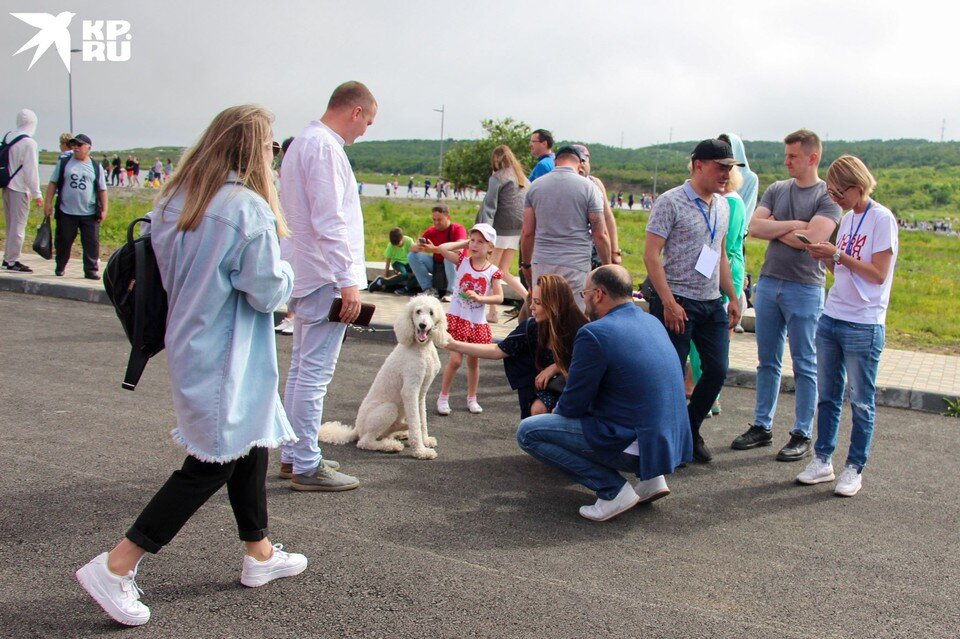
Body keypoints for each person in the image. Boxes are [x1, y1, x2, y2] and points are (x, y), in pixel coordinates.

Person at [74, 105, 308, 628]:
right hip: (230, 352)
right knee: (213, 460)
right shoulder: (246, 209)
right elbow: (267, 289)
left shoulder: (176, 199)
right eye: (270, 147)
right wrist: (291, 274)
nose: (273, 157)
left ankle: (260, 553)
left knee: (248, 442)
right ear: (254, 150)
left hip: (192, 342)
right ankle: (117, 564)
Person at [515, 266, 692, 522]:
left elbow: (573, 402)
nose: (584, 298)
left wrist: (557, 413)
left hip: (634, 443)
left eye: (585, 292)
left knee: (528, 432)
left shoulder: (594, 333)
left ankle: (612, 490)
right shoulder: (651, 321)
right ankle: (651, 479)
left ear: (598, 294)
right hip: (667, 442)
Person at [279, 81, 377, 492]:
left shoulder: (304, 142)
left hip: (308, 270)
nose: (365, 131)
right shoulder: (324, 147)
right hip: (324, 275)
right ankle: (305, 461)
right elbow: (330, 220)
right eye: (368, 121)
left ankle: (294, 453)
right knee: (314, 372)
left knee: (302, 368)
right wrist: (348, 281)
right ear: (355, 111)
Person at [732, 130, 842, 461]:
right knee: (767, 360)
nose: (786, 161)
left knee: (805, 363)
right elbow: (755, 227)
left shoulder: (828, 197)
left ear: (812, 158)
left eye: (793, 156)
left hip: (806, 287)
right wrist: (795, 225)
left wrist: (779, 227)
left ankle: (802, 432)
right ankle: (762, 425)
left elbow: (814, 240)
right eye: (786, 155)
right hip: (769, 284)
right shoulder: (778, 189)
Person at [796, 156, 898, 497]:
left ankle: (855, 466)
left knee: (861, 400)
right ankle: (823, 459)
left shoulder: (881, 218)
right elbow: (847, 273)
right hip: (834, 314)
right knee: (828, 395)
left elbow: (878, 274)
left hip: (864, 323)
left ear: (858, 186)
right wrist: (826, 258)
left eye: (839, 191)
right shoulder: (850, 218)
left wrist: (838, 255)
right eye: (831, 191)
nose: (835, 198)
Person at [643, 139, 741, 464]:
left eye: (730, 168)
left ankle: (690, 427)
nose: (726, 174)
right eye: (721, 167)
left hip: (711, 301)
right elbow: (651, 256)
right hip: (677, 301)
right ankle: (665, 439)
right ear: (699, 164)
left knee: (716, 369)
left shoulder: (724, 206)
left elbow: (721, 255)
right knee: (669, 374)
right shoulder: (670, 201)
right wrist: (668, 302)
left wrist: (734, 296)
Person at [445, 274, 588, 419]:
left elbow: (587, 361)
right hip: (549, 389)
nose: (531, 307)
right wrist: (454, 344)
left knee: (557, 411)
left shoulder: (582, 330)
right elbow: (497, 350)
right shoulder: (533, 327)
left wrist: (555, 367)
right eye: (532, 301)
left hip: (576, 388)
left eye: (537, 302)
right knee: (538, 409)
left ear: (554, 303)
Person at [687, 163, 748, 416]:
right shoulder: (726, 201)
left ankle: (710, 398)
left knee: (711, 339)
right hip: (715, 268)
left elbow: (717, 244)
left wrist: (703, 277)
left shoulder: (729, 203)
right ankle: (705, 394)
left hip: (719, 271)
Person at [520, 145, 611, 311]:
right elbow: (600, 234)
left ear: (556, 162)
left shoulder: (535, 186)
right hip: (575, 263)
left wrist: (526, 264)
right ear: (580, 164)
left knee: (542, 313)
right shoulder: (589, 188)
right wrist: (608, 266)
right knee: (572, 313)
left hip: (543, 261)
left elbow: (527, 233)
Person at [434, 223, 504, 415]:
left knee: (474, 363)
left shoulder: (493, 271)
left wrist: (481, 298)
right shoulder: (462, 261)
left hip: (476, 323)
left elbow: (499, 297)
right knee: (455, 360)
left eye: (480, 242)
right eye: (472, 240)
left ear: (491, 247)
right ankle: (443, 396)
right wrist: (464, 243)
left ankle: (472, 398)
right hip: (457, 318)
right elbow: (442, 248)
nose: (474, 245)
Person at [475, 144, 530, 322]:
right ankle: (529, 297)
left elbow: (490, 207)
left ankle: (491, 312)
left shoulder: (498, 177)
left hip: (500, 229)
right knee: (503, 271)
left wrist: (483, 232)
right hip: (517, 230)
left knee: (490, 271)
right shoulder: (521, 177)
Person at [44, 134, 108, 280]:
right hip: (67, 211)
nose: (76, 148)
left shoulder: (95, 166)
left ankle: (91, 270)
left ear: (88, 148)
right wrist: (48, 203)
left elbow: (102, 190)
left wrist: (104, 209)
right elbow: (53, 183)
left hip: (89, 212)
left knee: (91, 242)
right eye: (74, 145)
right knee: (64, 240)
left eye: (79, 145)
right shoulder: (65, 163)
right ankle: (60, 266)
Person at [1, 109, 43, 272]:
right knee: (18, 226)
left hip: (6, 185)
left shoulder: (8, 136)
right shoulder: (29, 143)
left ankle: (8, 258)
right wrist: (37, 193)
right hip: (19, 188)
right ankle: (13, 261)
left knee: (10, 225)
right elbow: (31, 170)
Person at [572, 144, 623, 266]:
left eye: (584, 160)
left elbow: (608, 217)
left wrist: (615, 251)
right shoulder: (565, 184)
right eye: (577, 160)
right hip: (574, 248)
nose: (581, 164)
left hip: (597, 248)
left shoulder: (595, 183)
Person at [405, 204, 467, 300]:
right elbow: (411, 248)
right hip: (438, 267)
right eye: (434, 219)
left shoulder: (458, 229)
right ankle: (429, 289)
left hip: (457, 267)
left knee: (448, 256)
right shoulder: (431, 231)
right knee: (412, 256)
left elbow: (460, 249)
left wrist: (435, 249)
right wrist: (419, 246)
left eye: (439, 220)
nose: (436, 223)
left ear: (448, 217)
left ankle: (452, 292)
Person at [369, 226, 415, 292]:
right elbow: (388, 262)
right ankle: (381, 281)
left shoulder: (409, 241)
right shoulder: (390, 246)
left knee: (418, 273)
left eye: (398, 244)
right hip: (397, 262)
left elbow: (413, 256)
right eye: (394, 245)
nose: (396, 246)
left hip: (409, 262)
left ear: (402, 238)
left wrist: (414, 269)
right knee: (404, 275)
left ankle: (405, 289)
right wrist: (385, 277)